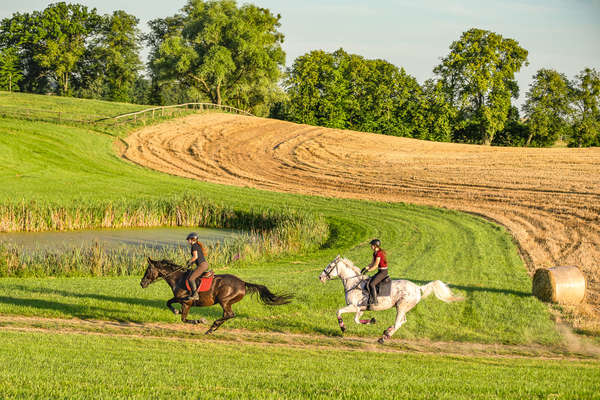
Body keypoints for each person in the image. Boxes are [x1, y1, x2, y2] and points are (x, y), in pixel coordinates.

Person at [361, 239, 388, 306]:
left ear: (375, 246)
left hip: (383, 272)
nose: (371, 246)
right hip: (380, 271)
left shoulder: (379, 254)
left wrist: (368, 271)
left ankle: (375, 300)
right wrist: (365, 268)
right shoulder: (375, 253)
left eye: (372, 245)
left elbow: (375, 265)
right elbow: (371, 263)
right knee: (368, 281)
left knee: (372, 284)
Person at [185, 232, 209, 300]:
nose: (188, 241)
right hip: (203, 265)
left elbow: (195, 257)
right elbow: (196, 258)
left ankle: (195, 295)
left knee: (191, 279)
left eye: (188, 239)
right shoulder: (196, 245)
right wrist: (191, 263)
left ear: (192, 239)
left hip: (202, 265)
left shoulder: (194, 246)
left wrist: (189, 261)